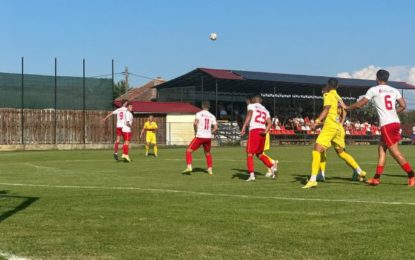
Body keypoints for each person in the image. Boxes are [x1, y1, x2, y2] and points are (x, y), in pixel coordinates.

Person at [344, 69, 415, 186]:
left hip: (387, 124)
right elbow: (403, 105)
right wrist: (393, 112)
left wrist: (347, 107)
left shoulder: (374, 90)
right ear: (387, 79)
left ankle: (412, 175)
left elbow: (360, 104)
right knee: (381, 150)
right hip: (395, 122)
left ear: (377, 78)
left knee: (395, 153)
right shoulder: (394, 90)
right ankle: (376, 178)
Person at [303, 78, 366, 189]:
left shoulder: (328, 95)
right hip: (337, 128)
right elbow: (345, 110)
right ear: (337, 86)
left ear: (328, 85)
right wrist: (341, 123)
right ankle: (359, 171)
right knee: (341, 153)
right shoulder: (338, 97)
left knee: (317, 148)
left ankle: (313, 179)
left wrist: (316, 122)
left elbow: (326, 109)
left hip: (330, 126)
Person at [240, 94, 277, 181]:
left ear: (254, 99)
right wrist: (265, 131)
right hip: (262, 132)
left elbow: (249, 115)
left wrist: (244, 126)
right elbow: (270, 123)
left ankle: (252, 175)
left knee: (249, 153)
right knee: (259, 154)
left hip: (254, 131)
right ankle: (272, 168)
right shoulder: (266, 110)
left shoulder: (251, 105)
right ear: (261, 101)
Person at [182, 101, 218, 175]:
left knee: (188, 150)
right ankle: (210, 169)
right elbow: (216, 128)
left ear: (202, 106)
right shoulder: (212, 116)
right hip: (208, 137)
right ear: (209, 107)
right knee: (207, 153)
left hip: (200, 136)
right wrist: (210, 132)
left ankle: (189, 166)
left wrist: (195, 131)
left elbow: (195, 123)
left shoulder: (199, 114)